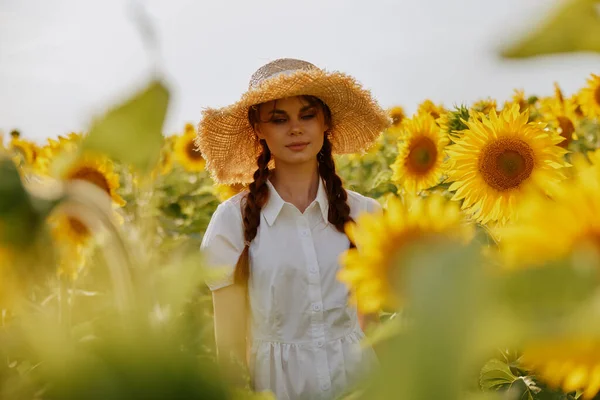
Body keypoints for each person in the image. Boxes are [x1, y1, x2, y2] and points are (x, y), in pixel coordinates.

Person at [197, 58, 389, 400]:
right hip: (274, 390)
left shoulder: (366, 214)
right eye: (278, 119)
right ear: (259, 129)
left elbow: (369, 326)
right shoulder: (231, 222)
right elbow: (228, 351)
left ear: (325, 122)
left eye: (307, 115)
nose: (295, 129)